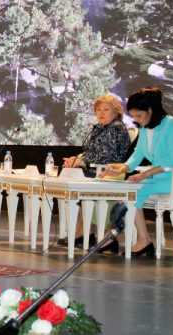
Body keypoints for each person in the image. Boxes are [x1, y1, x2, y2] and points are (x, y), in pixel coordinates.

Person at [100, 87, 173, 257]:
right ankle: (133, 238)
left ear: (150, 110)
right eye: (133, 116)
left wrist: (145, 174)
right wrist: (123, 167)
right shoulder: (144, 128)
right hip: (158, 179)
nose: (136, 120)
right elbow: (138, 154)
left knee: (132, 191)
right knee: (128, 190)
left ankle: (130, 238)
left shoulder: (170, 124)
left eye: (139, 116)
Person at [59, 93, 131, 247]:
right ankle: (83, 232)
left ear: (116, 112)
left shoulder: (116, 128)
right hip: (96, 170)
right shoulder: (100, 128)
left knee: (78, 185)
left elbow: (107, 157)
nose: (101, 113)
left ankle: (83, 233)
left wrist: (82, 161)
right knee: (69, 182)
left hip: (111, 173)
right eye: (98, 110)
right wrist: (76, 159)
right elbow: (91, 152)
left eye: (106, 109)